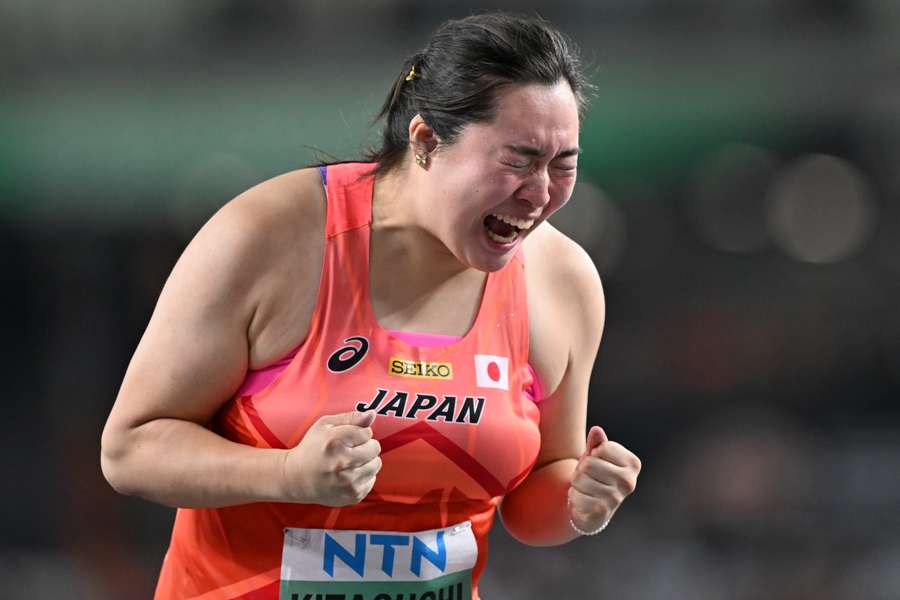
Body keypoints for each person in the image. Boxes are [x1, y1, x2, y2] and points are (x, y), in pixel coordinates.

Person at [101, 12, 641, 600]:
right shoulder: (269, 238)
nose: (539, 195)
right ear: (426, 141)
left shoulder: (561, 281)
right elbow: (131, 449)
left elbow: (535, 498)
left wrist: (579, 501)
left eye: (563, 165)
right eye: (518, 160)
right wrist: (287, 475)